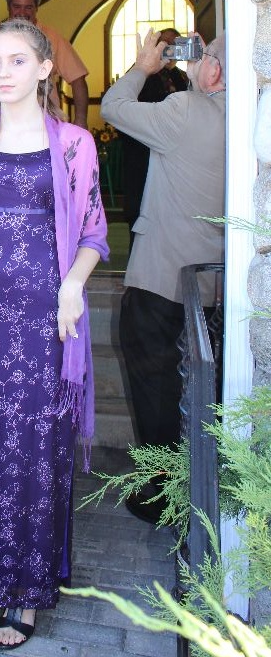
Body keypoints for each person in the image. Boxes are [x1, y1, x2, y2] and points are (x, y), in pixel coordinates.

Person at [0, 19, 108, 650]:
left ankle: (28, 591)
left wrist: (73, 285)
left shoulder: (74, 144)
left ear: (44, 69)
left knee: (36, 449)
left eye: (17, 61)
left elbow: (93, 234)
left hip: (45, 320)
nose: (2, 72)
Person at [101, 29, 225, 522]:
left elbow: (113, 107)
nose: (196, 60)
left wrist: (143, 67)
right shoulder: (244, 118)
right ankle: (195, 488)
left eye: (204, 55)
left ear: (214, 70)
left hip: (161, 279)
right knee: (196, 391)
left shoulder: (186, 109)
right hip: (210, 283)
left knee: (155, 390)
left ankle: (162, 494)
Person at [0, 0, 90, 128]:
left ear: (37, 8)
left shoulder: (53, 38)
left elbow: (78, 79)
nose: (22, 13)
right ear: (8, 7)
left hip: (45, 123)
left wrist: (81, 120)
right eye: (17, 6)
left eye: (28, 7)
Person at [118, 29, 188, 248]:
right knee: (139, 211)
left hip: (173, 157)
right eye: (165, 44)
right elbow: (120, 108)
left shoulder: (180, 76)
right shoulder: (138, 73)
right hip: (141, 153)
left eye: (175, 45)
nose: (169, 50)